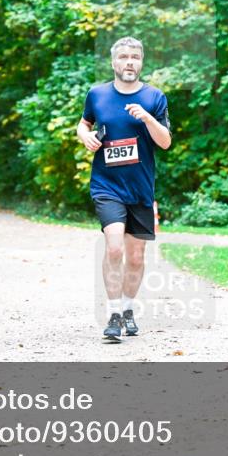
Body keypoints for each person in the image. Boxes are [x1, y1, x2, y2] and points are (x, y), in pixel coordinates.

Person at [76, 36, 171, 342]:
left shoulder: (155, 97)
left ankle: (128, 308)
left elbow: (166, 142)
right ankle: (114, 313)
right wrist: (85, 137)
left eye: (135, 57)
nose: (130, 62)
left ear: (141, 62)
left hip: (141, 188)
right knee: (114, 246)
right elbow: (83, 123)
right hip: (107, 185)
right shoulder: (97, 95)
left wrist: (146, 118)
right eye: (124, 57)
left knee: (136, 257)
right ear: (114, 62)